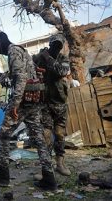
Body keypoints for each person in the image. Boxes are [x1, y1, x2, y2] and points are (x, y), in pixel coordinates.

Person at [0, 27, 57, 190]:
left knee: (3, 133)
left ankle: (3, 174)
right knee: (38, 138)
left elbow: (21, 78)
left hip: (23, 102)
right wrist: (1, 77)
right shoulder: (22, 51)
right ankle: (49, 178)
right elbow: (20, 73)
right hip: (33, 101)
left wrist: (15, 104)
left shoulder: (13, 51)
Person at [33, 33, 71, 176]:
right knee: (46, 135)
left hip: (60, 103)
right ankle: (46, 167)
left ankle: (60, 163)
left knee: (60, 135)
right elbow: (31, 65)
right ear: (50, 44)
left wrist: (47, 58)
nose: (57, 47)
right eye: (54, 44)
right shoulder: (41, 57)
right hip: (46, 103)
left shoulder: (63, 58)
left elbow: (61, 71)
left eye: (59, 45)